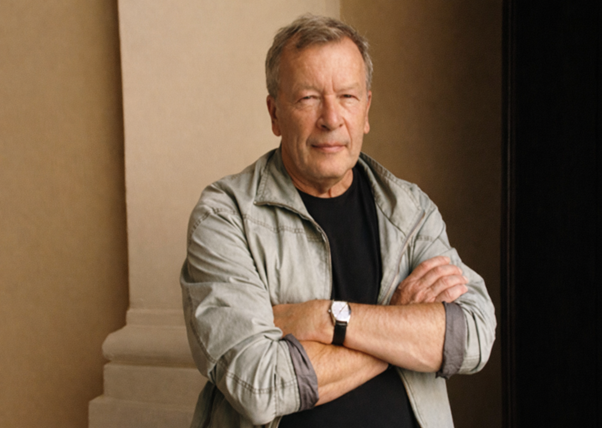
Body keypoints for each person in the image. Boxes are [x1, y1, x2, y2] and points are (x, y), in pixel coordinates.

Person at [181, 14, 495, 428]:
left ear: (366, 109)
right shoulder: (226, 216)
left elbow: (472, 337)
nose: (331, 118)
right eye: (308, 98)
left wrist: (324, 318)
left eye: (347, 96)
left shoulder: (410, 210)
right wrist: (396, 327)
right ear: (275, 114)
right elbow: (259, 386)